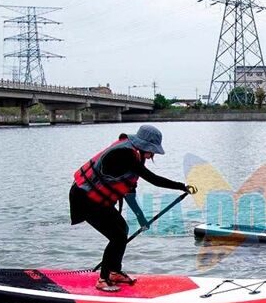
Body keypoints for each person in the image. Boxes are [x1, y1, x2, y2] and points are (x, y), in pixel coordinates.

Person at [69, 125, 197, 291]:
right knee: (116, 236)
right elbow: (153, 179)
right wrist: (181, 186)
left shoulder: (134, 155)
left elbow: (129, 191)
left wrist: (140, 217)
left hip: (95, 198)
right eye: (152, 151)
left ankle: (114, 272)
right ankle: (102, 279)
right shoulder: (124, 154)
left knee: (122, 229)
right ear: (143, 146)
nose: (152, 155)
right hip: (84, 198)